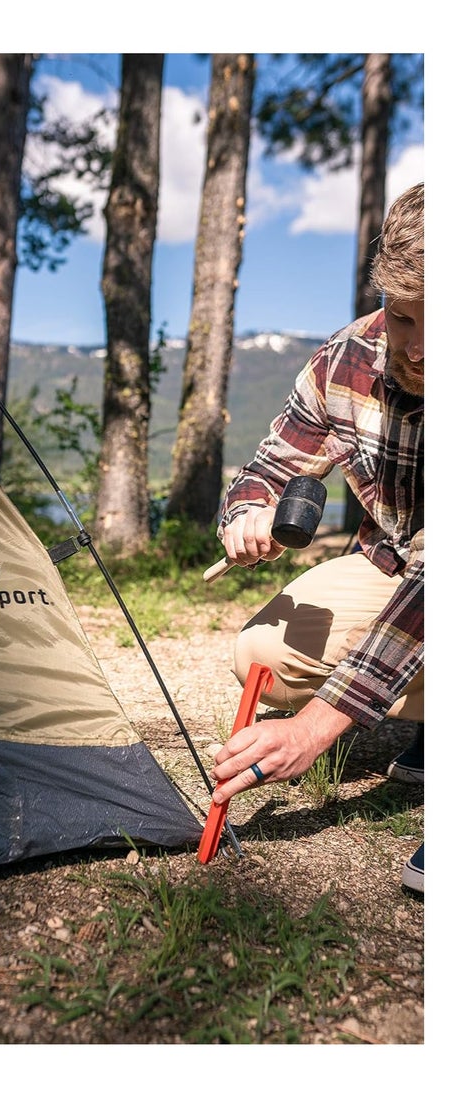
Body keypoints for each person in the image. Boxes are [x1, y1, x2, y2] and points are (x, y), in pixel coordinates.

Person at [210, 182, 424, 894]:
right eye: (404, 318)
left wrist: (315, 728)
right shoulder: (346, 361)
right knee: (262, 650)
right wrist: (248, 510)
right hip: (394, 558)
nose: (418, 348)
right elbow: (270, 466)